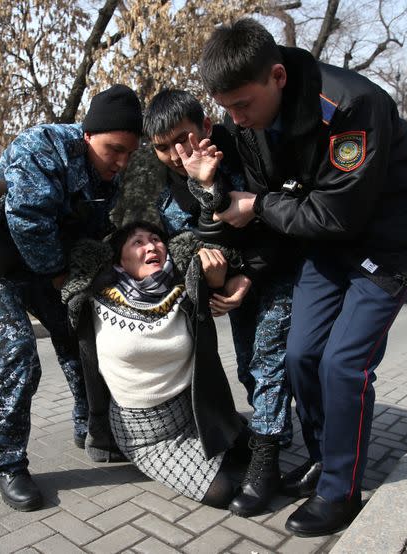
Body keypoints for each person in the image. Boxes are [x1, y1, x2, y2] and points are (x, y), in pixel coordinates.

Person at [183, 19, 407, 536]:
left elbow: (328, 214)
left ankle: (340, 490)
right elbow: (273, 202)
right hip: (325, 239)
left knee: (342, 364)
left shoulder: (351, 106)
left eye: (243, 105)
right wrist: (236, 231)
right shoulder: (246, 116)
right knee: (301, 354)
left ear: (277, 76)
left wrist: (257, 204)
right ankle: (329, 456)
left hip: (388, 240)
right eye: (227, 108)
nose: (236, 119)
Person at [0, 84, 143, 512]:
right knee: (19, 352)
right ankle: (6, 463)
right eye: (114, 149)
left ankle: (90, 426)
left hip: (40, 265)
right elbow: (28, 221)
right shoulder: (40, 146)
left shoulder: (107, 175)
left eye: (130, 153)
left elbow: (87, 229)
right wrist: (61, 277)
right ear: (87, 136)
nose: (122, 162)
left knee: (78, 333)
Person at [143, 89, 296, 516]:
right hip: (230, 287)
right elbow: (188, 245)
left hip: (276, 273)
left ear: (206, 126)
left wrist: (249, 275)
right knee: (248, 365)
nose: (175, 154)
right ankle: (269, 438)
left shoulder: (244, 148)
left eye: (183, 139)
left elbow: (279, 223)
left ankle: (266, 462)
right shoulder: (166, 188)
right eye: (162, 147)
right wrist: (215, 281)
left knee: (270, 360)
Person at [62, 221, 247, 508]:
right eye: (137, 242)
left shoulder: (185, 290)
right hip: (145, 437)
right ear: (118, 259)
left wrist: (236, 279)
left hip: (193, 415)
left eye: (156, 239)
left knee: (249, 453)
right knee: (221, 492)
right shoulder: (93, 300)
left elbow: (225, 253)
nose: (151, 246)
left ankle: (226, 437)